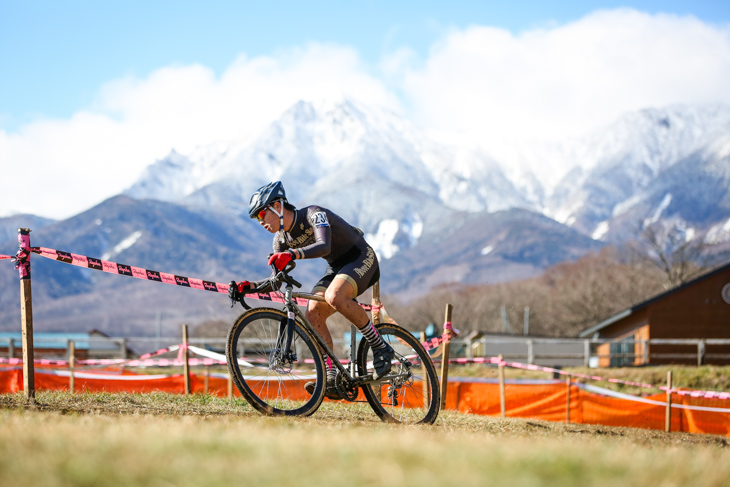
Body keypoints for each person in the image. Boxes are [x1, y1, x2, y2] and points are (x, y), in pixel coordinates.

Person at [228, 181, 394, 400]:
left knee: (334, 295)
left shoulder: (314, 214)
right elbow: (275, 282)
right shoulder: (280, 240)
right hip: (336, 267)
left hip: (360, 256)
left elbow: (324, 245)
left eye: (260, 215)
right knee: (312, 312)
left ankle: (380, 346)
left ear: (277, 206)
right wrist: (249, 287)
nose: (260, 222)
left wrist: (293, 254)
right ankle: (333, 376)